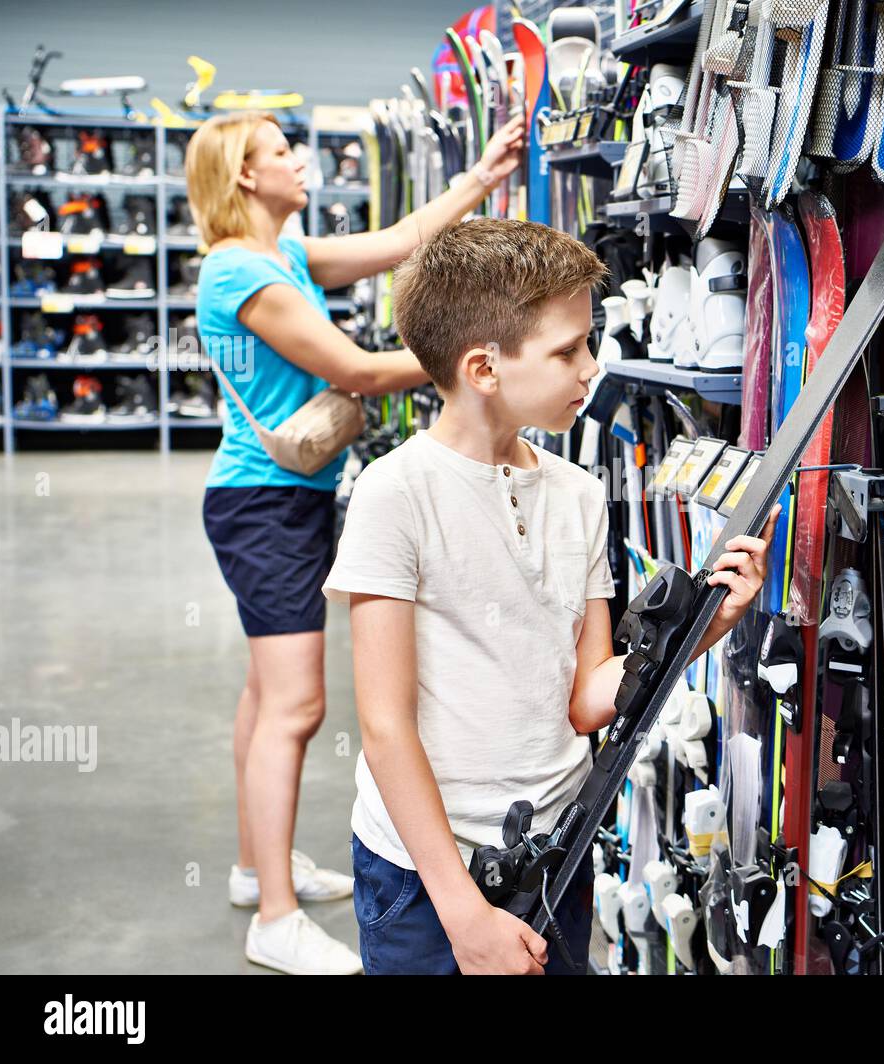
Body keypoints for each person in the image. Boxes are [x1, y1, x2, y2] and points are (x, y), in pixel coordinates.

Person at [322, 218, 780, 974]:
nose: (591, 368)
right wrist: (464, 913)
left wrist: (710, 625)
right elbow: (385, 727)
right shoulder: (395, 494)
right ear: (483, 368)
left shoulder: (578, 494)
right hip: (424, 876)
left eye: (589, 343)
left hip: (555, 853)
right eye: (568, 350)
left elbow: (588, 697)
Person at [186, 108, 526, 975]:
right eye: (279, 153)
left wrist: (482, 178)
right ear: (244, 178)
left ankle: (255, 863)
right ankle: (274, 915)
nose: (299, 163)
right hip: (263, 508)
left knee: (266, 701)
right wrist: (491, 353)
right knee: (298, 708)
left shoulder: (283, 257)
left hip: (277, 500)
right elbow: (358, 371)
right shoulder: (239, 275)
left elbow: (402, 238)